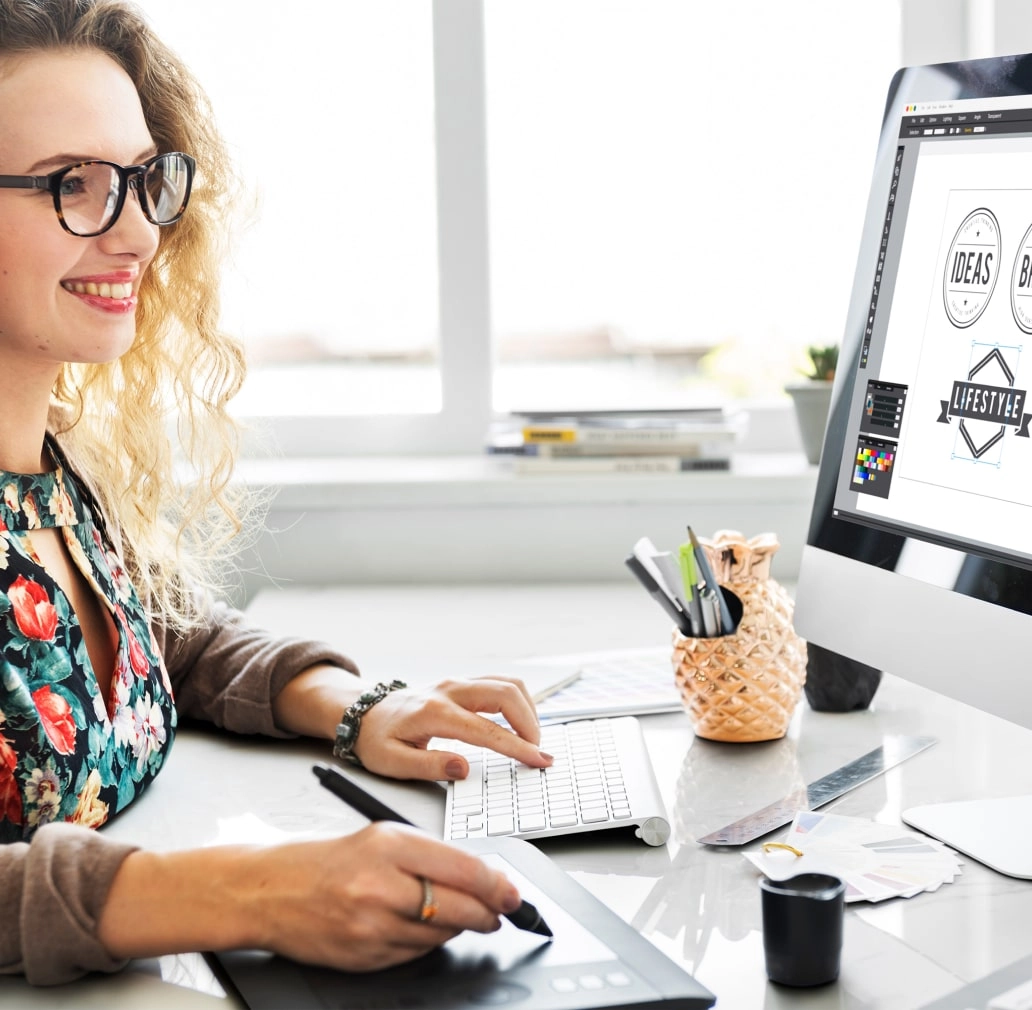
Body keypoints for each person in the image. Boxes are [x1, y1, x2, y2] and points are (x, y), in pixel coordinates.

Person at [0, 0, 552, 986]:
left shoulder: (55, 473)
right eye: (71, 185)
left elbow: (162, 638)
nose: (135, 233)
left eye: (140, 180)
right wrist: (251, 893)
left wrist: (359, 707)